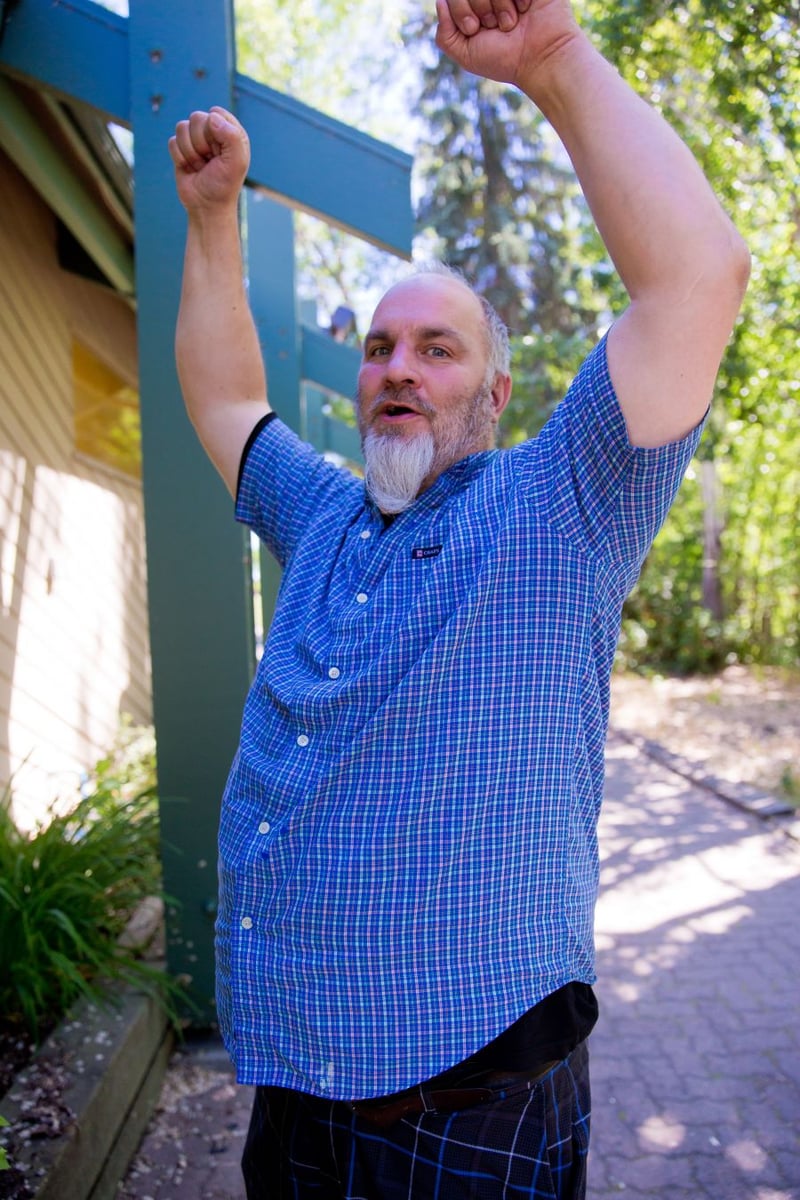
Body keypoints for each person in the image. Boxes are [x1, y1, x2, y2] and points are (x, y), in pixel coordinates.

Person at [168, 0, 749, 1195]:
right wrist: (214, 216)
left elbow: (698, 277)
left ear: (491, 397)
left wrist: (551, 61)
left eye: (437, 350)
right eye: (380, 348)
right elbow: (227, 400)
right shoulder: (323, 514)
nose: (395, 369)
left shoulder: (556, 508)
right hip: (293, 1092)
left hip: (466, 1116)